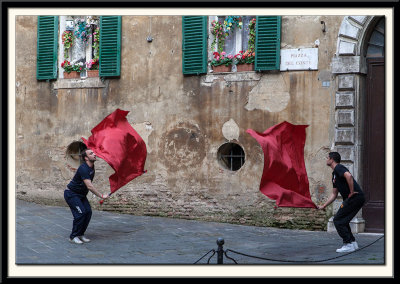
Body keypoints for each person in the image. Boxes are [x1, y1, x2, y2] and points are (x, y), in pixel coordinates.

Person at [318, 151, 365, 253]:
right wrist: (324, 206)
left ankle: (347, 243)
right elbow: (334, 194)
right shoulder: (334, 174)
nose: (326, 159)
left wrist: (352, 192)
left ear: (332, 160)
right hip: (355, 198)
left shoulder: (339, 167)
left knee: (338, 220)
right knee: (343, 220)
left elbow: (349, 176)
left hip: (355, 198)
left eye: (327, 158)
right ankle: (352, 243)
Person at [64, 148, 109, 244]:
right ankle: (73, 236)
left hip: (81, 195)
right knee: (80, 213)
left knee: (88, 212)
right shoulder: (83, 168)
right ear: (86, 158)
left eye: (94, 153)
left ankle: (80, 234)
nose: (94, 154)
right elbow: (89, 186)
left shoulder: (92, 167)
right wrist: (101, 196)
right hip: (71, 194)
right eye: (91, 153)